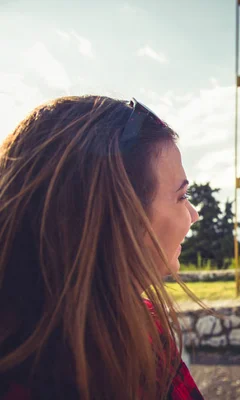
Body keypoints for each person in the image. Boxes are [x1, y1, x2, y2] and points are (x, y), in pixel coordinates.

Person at [0, 96, 206, 399]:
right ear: (115, 217)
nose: (194, 215)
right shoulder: (141, 331)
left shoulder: (142, 325)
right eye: (181, 196)